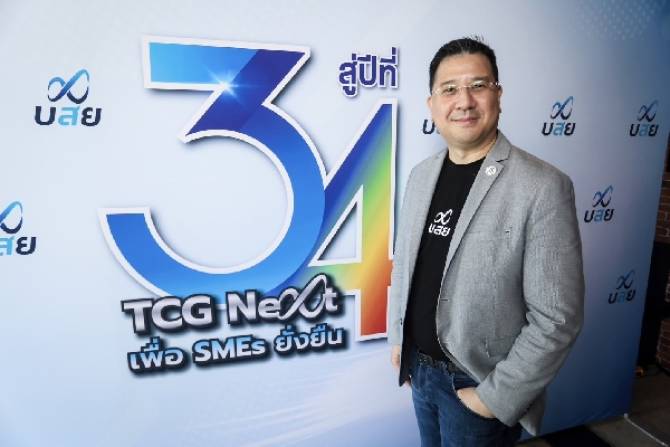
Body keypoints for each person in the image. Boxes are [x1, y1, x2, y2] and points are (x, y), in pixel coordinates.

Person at [387, 37, 584, 447]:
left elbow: (557, 318)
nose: (464, 101)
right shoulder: (421, 176)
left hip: (477, 385)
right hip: (420, 372)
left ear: (499, 95)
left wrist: (493, 399)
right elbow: (405, 265)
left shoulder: (542, 186)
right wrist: (398, 338)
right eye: (449, 89)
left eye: (478, 85)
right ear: (432, 105)